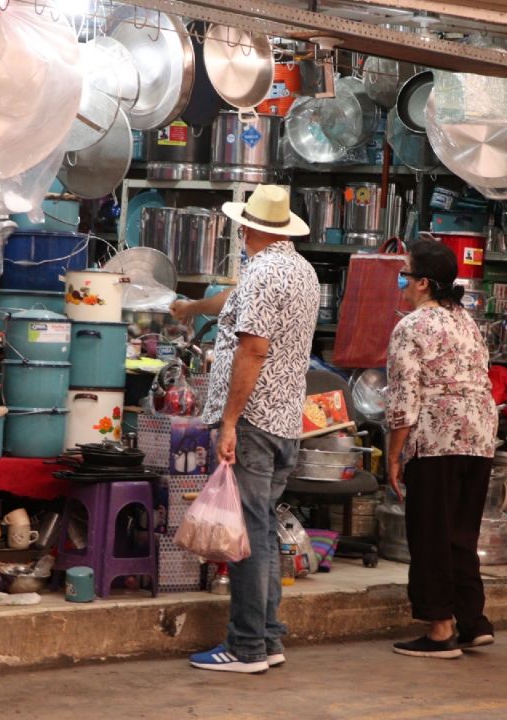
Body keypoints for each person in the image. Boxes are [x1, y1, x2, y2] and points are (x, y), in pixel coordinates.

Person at [182, 185, 319, 674]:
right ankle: (267, 637)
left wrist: (230, 422)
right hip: (284, 420)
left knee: (249, 533)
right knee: (261, 530)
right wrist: (191, 309)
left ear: (248, 228)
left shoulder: (263, 273)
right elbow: (236, 307)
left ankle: (245, 647)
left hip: (255, 423)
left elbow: (254, 349)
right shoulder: (301, 270)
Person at [385, 238, 498, 659]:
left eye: (405, 275)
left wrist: (394, 455)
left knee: (431, 532)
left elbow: (404, 400)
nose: (400, 282)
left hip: (436, 439)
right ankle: (472, 620)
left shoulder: (411, 327)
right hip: (479, 436)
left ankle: (439, 628)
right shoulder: (465, 321)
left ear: (423, 283)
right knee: (461, 533)